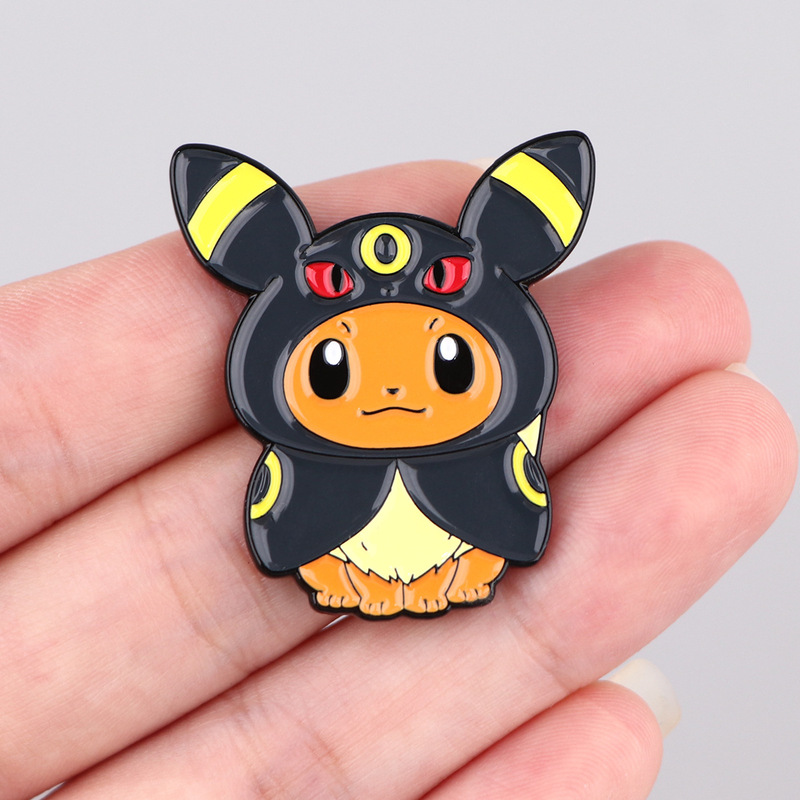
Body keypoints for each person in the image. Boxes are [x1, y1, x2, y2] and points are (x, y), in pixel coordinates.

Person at [1, 159, 795, 800]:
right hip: (343, 563)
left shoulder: (491, 463)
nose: (391, 392)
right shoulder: (302, 474)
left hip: (461, 555)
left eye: (447, 364)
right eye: (337, 367)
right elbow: (285, 538)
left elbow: (509, 523)